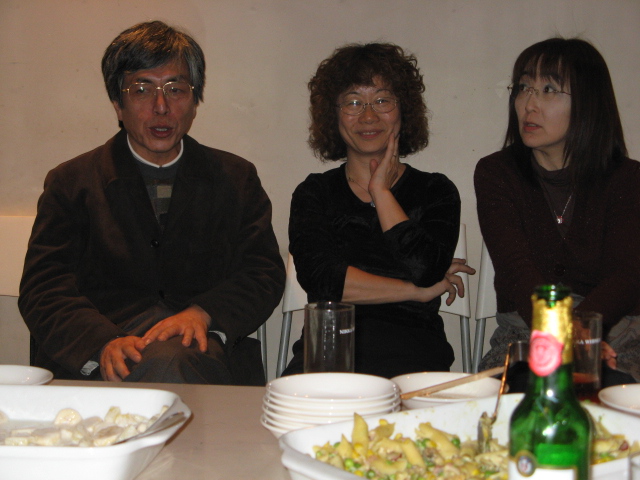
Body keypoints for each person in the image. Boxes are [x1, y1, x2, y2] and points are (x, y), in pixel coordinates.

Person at [18, 21, 285, 385]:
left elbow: (262, 272)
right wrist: (101, 342)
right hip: (102, 353)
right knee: (163, 365)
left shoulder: (235, 178)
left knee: (173, 361)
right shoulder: (72, 182)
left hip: (200, 350)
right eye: (142, 90)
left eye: (176, 89)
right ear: (118, 104)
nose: (161, 107)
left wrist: (203, 313)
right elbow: (44, 287)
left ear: (194, 102)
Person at [282, 43, 474, 379]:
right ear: (333, 114)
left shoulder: (435, 191)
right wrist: (415, 292)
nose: (368, 116)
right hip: (329, 353)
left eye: (382, 100)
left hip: (414, 356)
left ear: (404, 110)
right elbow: (324, 282)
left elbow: (426, 268)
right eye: (354, 102)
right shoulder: (314, 193)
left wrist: (381, 192)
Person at [474, 37, 640, 383]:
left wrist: (583, 335)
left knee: (612, 396)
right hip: (524, 336)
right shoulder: (496, 173)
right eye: (523, 88)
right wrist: (565, 333)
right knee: (521, 395)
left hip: (615, 337)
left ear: (588, 103)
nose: (529, 104)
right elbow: (515, 270)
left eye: (549, 90)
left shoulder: (628, 178)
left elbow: (628, 275)